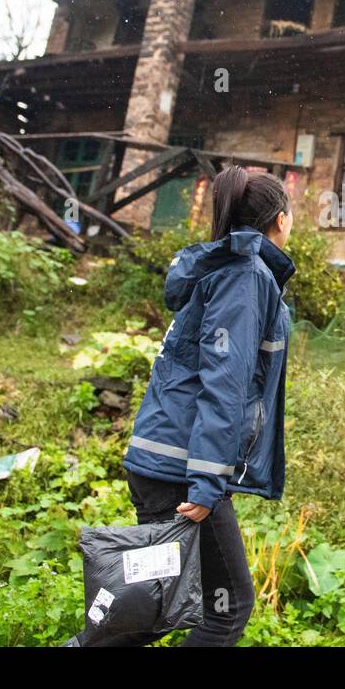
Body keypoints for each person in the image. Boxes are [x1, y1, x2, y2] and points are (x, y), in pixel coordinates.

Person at [122, 165, 295, 646]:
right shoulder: (245, 275)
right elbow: (225, 385)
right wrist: (205, 483)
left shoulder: (224, 268)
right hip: (180, 469)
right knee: (225, 606)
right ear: (280, 219)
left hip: (166, 460)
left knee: (156, 608)